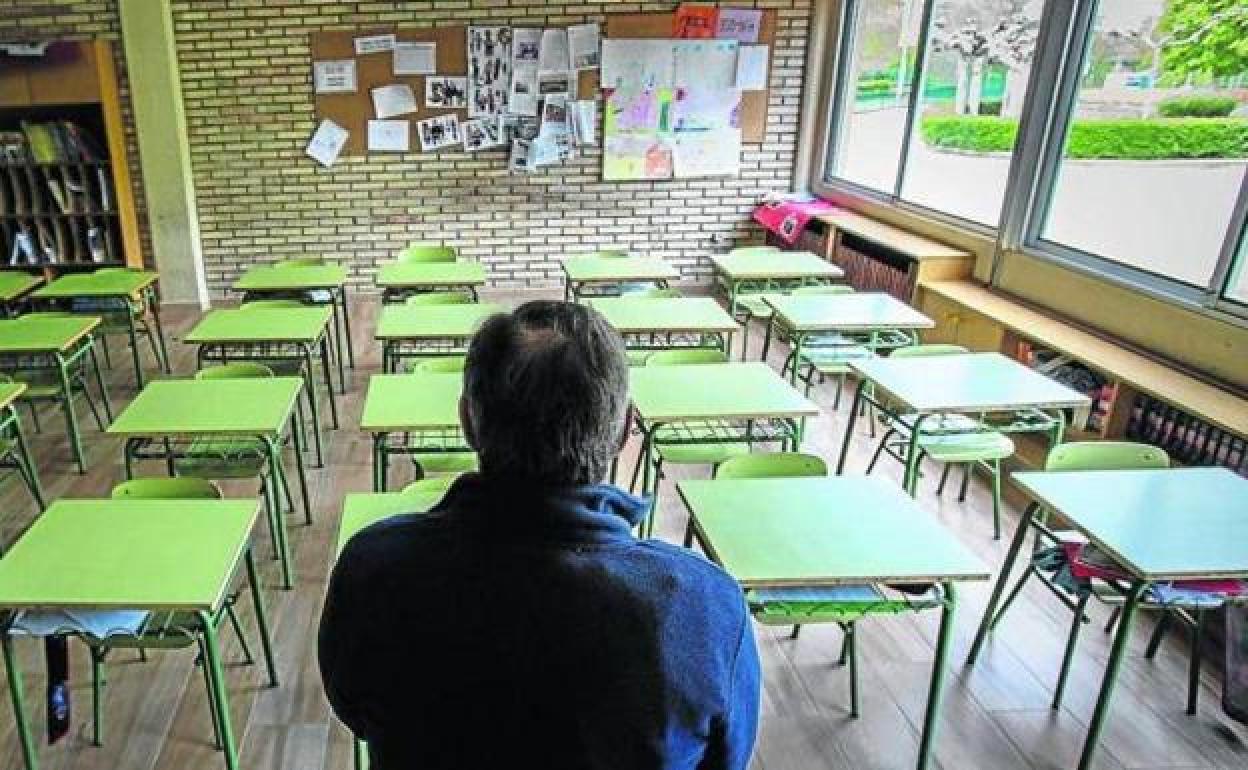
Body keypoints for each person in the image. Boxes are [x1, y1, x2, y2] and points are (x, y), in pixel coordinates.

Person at [319, 300, 760, 769]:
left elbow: (354, 708)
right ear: (624, 431)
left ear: (468, 421)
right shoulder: (706, 607)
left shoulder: (373, 570)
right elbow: (725, 760)